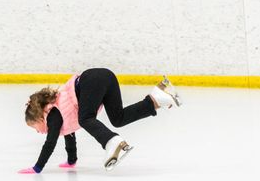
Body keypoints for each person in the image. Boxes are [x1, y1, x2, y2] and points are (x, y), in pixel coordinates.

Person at [18, 68, 181, 174]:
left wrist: (37, 167)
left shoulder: (52, 115)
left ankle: (114, 143)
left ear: (40, 116)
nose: (38, 131)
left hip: (92, 80)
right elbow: (69, 136)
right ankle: (158, 98)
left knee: (86, 119)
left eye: (35, 127)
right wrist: (71, 161)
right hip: (106, 77)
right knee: (118, 118)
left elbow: (50, 143)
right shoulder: (58, 116)